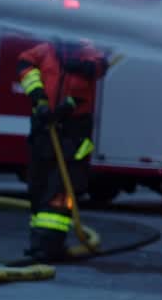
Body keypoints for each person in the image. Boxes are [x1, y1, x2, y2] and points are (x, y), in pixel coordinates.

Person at [16, 38, 108, 262]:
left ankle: (50, 245)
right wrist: (39, 98)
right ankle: (38, 243)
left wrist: (67, 106)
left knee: (58, 192)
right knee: (37, 188)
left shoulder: (88, 55)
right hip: (43, 129)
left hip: (72, 133)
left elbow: (98, 68)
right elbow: (24, 64)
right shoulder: (44, 51)